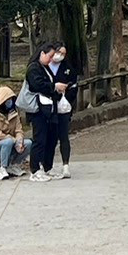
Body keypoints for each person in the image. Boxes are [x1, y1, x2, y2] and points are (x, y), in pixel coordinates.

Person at [24, 44, 63, 182]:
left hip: (50, 108)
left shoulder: (46, 68)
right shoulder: (33, 68)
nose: (51, 59)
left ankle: (48, 167)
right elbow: (38, 85)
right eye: (50, 56)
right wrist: (54, 87)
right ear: (42, 53)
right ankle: (35, 169)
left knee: (51, 138)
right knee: (39, 139)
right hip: (38, 109)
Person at [49, 43, 78, 179]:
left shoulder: (68, 69)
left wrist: (65, 96)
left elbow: (74, 86)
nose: (60, 55)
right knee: (49, 137)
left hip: (63, 106)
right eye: (59, 52)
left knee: (64, 136)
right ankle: (46, 164)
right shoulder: (44, 66)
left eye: (63, 53)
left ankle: (65, 164)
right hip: (48, 106)